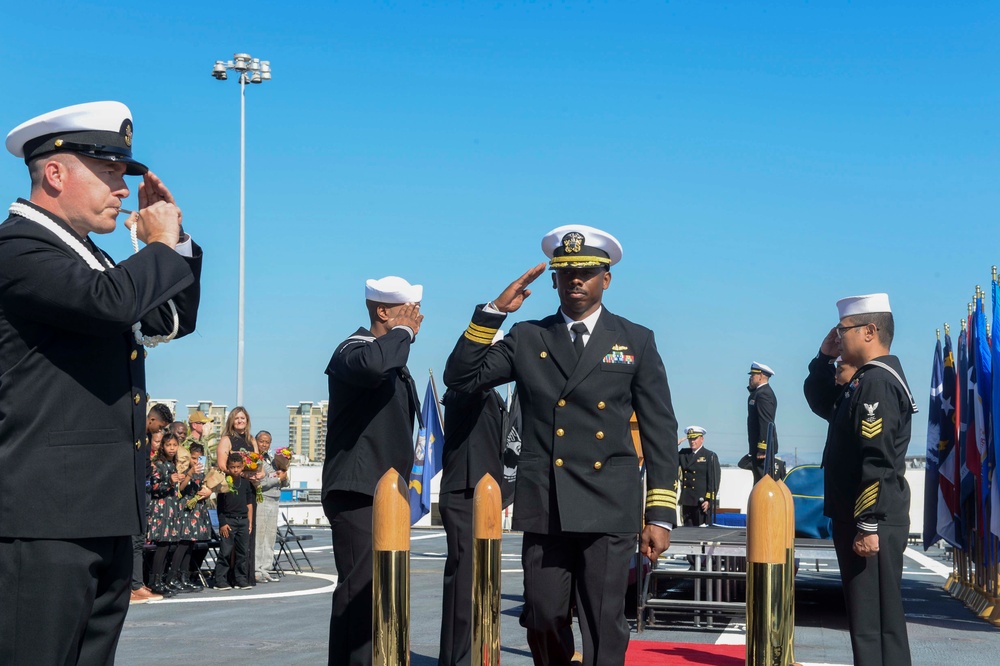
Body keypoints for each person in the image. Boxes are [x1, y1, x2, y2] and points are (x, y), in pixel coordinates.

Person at [0, 101, 202, 663]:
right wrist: (157, 249)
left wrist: (177, 241)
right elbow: (111, 305)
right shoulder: (17, 247)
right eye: (110, 171)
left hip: (100, 511)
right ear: (57, 173)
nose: (121, 188)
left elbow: (165, 321)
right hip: (42, 518)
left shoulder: (88, 257)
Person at [444, 225, 678, 666]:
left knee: (604, 620)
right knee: (544, 616)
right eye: (566, 272)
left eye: (586, 272)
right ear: (553, 279)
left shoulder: (635, 340)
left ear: (605, 279)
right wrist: (494, 312)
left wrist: (660, 513)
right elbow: (462, 377)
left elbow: (660, 430)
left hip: (610, 502)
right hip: (546, 501)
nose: (576, 280)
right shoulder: (528, 337)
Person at [803, 293, 916, 666]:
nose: (839, 337)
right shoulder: (862, 382)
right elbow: (823, 403)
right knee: (867, 622)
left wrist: (867, 523)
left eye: (843, 329)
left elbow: (877, 458)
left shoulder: (877, 383)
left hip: (873, 520)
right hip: (862, 519)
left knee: (878, 625)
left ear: (869, 331)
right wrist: (822, 359)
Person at [321, 275, 423, 666]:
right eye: (405, 311)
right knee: (360, 590)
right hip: (358, 491)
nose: (416, 319)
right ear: (382, 311)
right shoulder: (354, 348)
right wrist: (402, 333)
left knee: (383, 589)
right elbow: (372, 366)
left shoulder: (391, 360)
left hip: (387, 493)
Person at [438, 375, 507, 666]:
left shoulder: (491, 394)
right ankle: (460, 658)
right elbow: (470, 386)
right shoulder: (464, 385)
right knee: (466, 582)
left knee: (479, 581)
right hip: (465, 491)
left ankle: (473, 655)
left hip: (483, 494)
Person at [146, 432, 185, 597]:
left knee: (169, 545)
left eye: (174, 445)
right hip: (161, 509)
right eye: (168, 445)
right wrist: (169, 482)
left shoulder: (172, 464)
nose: (172, 448)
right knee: (162, 545)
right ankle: (154, 581)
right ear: (162, 446)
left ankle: (161, 580)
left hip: (171, 507)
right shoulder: (158, 464)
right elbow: (154, 488)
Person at [212, 451, 255, 591]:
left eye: (238, 466)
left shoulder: (246, 484)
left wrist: (249, 522)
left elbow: (249, 503)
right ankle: (220, 580)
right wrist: (222, 523)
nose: (235, 469)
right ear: (228, 468)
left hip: (242, 521)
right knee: (225, 551)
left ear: (242, 466)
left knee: (242, 552)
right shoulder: (224, 482)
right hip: (229, 522)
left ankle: (240, 579)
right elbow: (220, 506)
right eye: (232, 467)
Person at [253, 430, 288, 583]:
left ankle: (266, 569)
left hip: (275, 500)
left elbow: (284, 483)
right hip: (262, 500)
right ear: (256, 441)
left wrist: (284, 475)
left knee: (270, 536)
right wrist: (277, 479)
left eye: (267, 442)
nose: (264, 444)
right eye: (262, 441)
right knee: (259, 536)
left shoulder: (274, 461)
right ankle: (256, 569)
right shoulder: (255, 460)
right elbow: (260, 483)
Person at [678, 426, 721, 527]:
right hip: (687, 500)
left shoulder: (709, 456)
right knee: (688, 533)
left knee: (701, 534)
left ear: (702, 439)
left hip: (701, 502)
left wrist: (709, 500)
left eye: (694, 438)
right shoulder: (684, 454)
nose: (692, 441)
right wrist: (674, 444)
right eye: (690, 439)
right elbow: (669, 459)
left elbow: (714, 480)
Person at [746, 362, 778, 483]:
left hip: (763, 450)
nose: (750, 378)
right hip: (757, 449)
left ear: (760, 376)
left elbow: (766, 422)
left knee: (763, 483)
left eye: (753, 375)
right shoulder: (757, 393)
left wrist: (763, 448)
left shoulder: (764, 394)